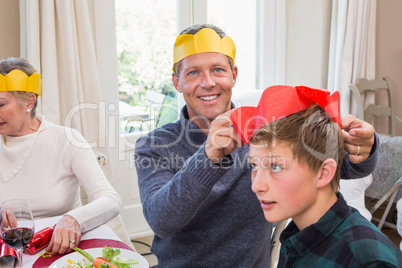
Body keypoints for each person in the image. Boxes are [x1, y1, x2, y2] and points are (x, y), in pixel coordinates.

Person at [134, 24, 379, 267]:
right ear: (177, 82)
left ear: (234, 75)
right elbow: (161, 221)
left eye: (218, 70)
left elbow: (334, 167)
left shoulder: (261, 129)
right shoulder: (155, 145)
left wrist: (362, 150)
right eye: (193, 73)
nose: (207, 82)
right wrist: (207, 158)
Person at [238, 85, 402, 267]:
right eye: (254, 165)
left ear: (324, 173)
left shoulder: (369, 262)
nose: (256, 185)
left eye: (275, 166)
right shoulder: (296, 237)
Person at [0, 57, 121, 255]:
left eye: (0, 105)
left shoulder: (66, 139)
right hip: (12, 250)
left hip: (61, 249)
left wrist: (74, 219)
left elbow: (111, 200)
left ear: (30, 101)